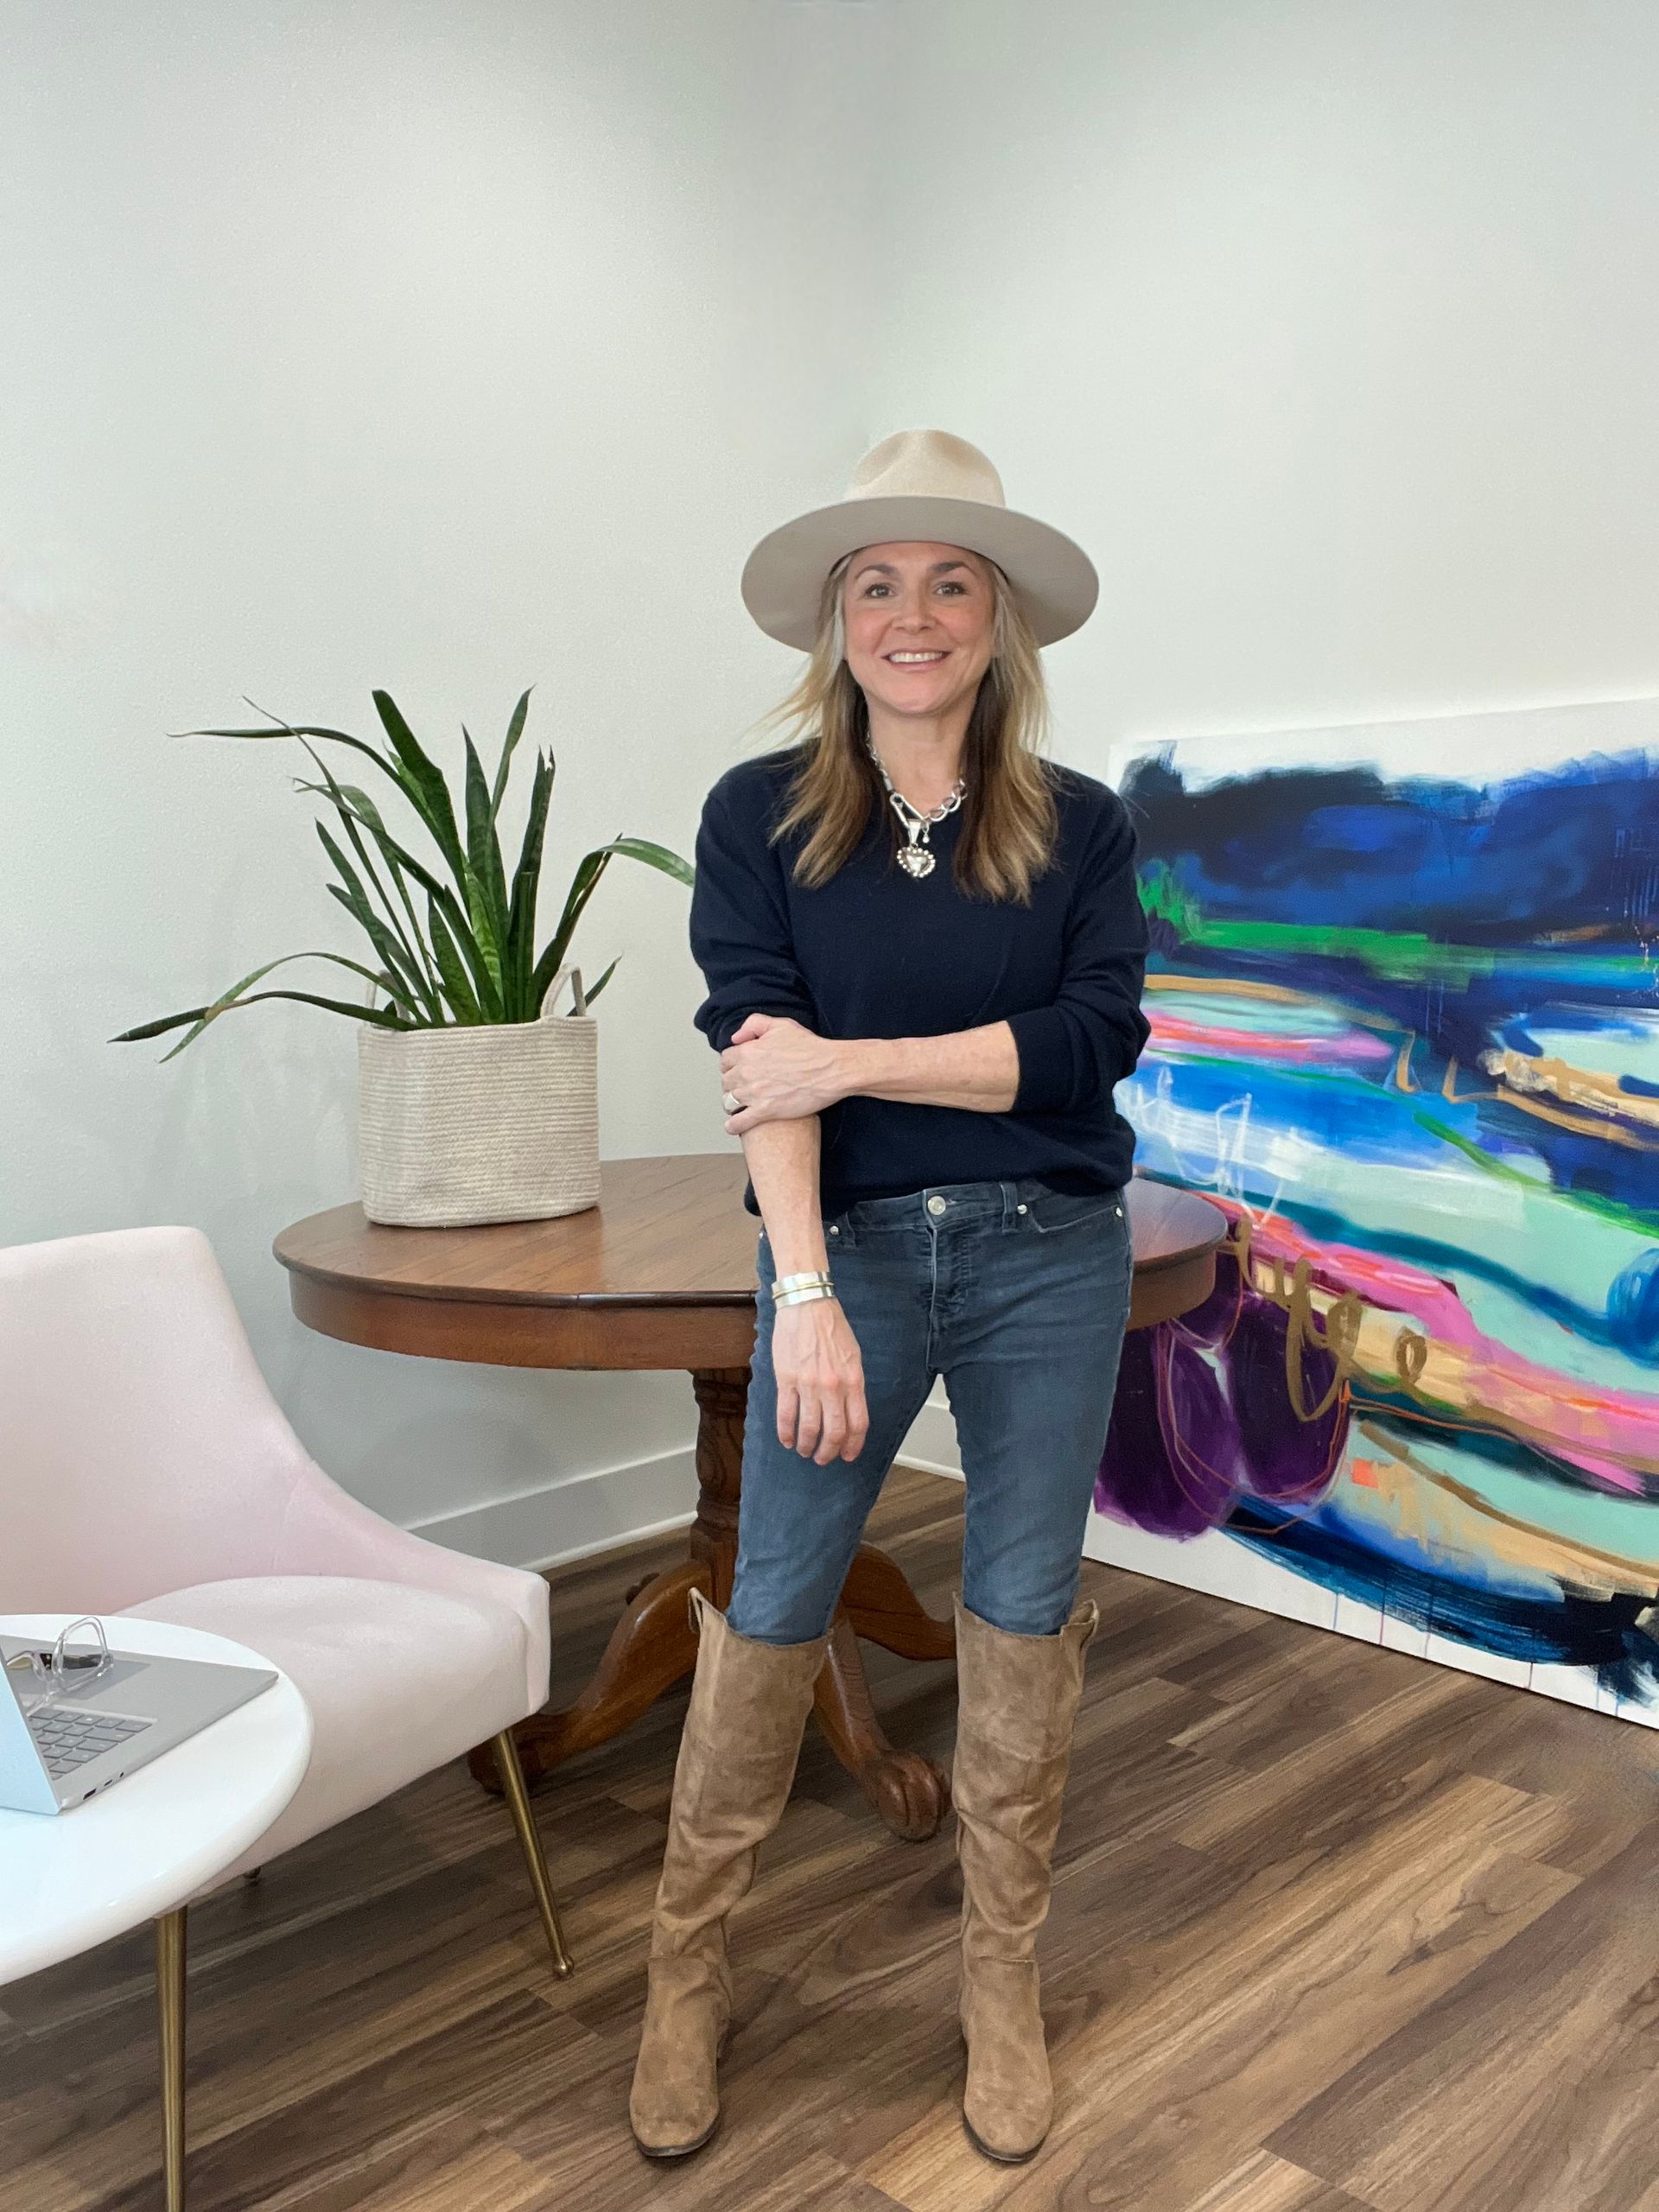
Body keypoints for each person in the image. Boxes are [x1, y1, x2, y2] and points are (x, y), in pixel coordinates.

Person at [628, 428, 1150, 2165]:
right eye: (877, 583)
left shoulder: (1081, 827)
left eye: (949, 582)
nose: (911, 614)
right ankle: (685, 1972)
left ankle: (1000, 1975)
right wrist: (801, 1292)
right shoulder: (758, 814)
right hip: (839, 1252)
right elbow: (757, 1061)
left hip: (1047, 1251)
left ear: (1001, 619)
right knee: (775, 1596)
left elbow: (1088, 1047)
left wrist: (852, 1057)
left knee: (1023, 1600)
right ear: (834, 619)